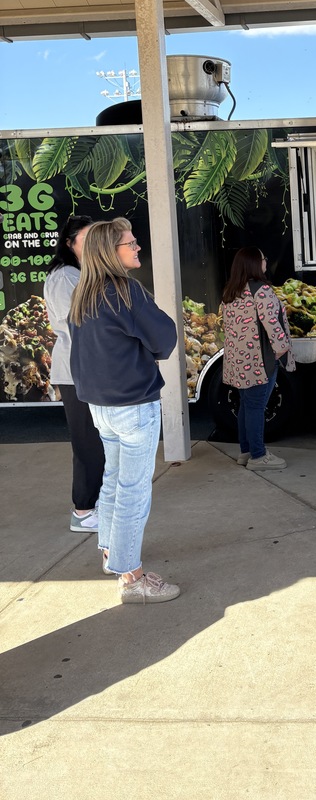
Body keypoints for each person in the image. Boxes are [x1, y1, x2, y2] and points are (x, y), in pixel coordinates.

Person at [69, 218, 180, 604]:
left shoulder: (85, 292)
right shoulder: (124, 291)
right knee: (133, 491)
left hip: (101, 406)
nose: (137, 247)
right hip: (132, 405)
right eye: (130, 244)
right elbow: (165, 338)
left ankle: (112, 555)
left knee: (114, 482)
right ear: (109, 252)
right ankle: (131, 578)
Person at [44, 216, 106, 532]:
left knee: (99, 441)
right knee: (88, 444)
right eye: (86, 237)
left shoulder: (80, 273)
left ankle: (95, 504)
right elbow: (82, 323)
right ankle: (83, 510)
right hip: (75, 370)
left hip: (88, 368)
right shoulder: (65, 277)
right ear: (69, 243)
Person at [221, 247, 295, 471]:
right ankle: (258, 456)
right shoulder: (261, 291)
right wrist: (282, 351)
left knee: (247, 405)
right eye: (263, 259)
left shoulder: (231, 292)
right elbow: (272, 325)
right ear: (254, 264)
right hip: (260, 361)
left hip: (238, 361)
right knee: (255, 406)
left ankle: (246, 452)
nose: (265, 262)